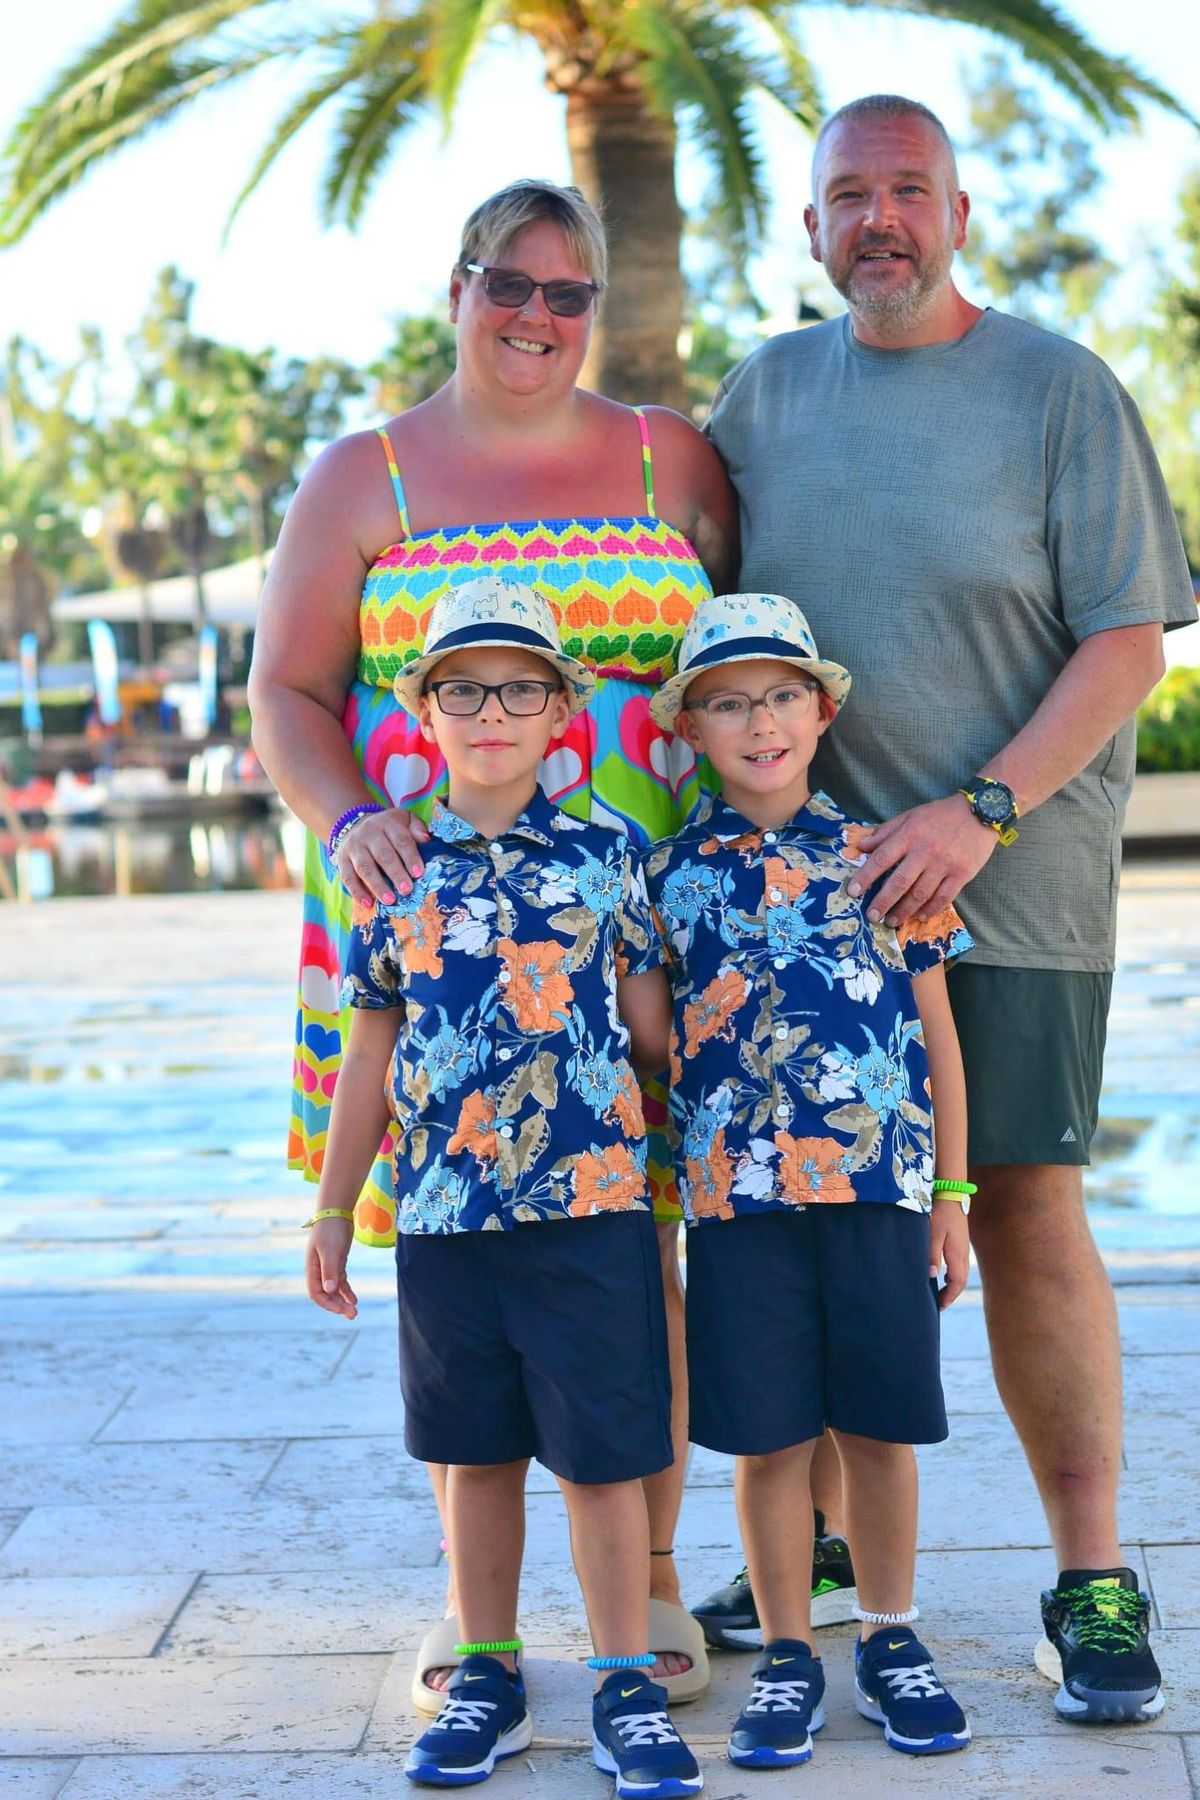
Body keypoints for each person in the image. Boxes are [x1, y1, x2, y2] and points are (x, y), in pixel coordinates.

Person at [702, 93, 1198, 1725]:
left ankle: (1092, 1581)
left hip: (1016, 889)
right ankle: (830, 1548)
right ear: (810, 231)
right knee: (817, 1225)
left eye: (909, 189)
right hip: (801, 934)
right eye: (850, 195)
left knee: (1031, 1205)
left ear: (961, 212)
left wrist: (981, 811)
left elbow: (1133, 638)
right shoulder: (765, 392)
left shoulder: (1061, 389)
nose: (881, 219)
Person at [249, 176, 736, 1703]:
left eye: (567, 292)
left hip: (633, 929)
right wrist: (346, 827)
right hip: (430, 935)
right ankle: (483, 1627)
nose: (535, 315)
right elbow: (286, 692)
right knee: (458, 1264)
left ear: (598, 309)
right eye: (505, 282)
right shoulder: (363, 477)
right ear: (454, 289)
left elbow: (743, 661)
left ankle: (647, 1588)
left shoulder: (675, 460)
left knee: (638, 1245)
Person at [304, 578, 702, 1798]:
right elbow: (368, 1049)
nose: (492, 710)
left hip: (590, 1211)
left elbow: (652, 1034)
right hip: (444, 1215)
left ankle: (626, 1677)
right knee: (473, 1455)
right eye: (463, 688)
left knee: (600, 1459)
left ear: (562, 715)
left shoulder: (609, 854)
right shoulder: (391, 869)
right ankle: (486, 1668)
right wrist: (334, 1205)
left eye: (520, 688)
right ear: (422, 712)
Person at [643, 591, 973, 1766]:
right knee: (770, 1439)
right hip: (739, 1206)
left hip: (881, 1191)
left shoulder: (888, 855)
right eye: (728, 704)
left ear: (822, 710)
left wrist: (953, 1198)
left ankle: (888, 1636)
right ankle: (787, 1652)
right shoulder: (665, 879)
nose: (760, 722)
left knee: (880, 1429)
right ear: (689, 729)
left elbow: (938, 1035)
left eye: (781, 696)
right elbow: (646, 1034)